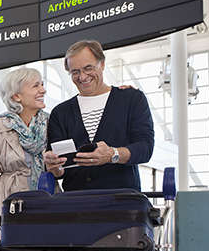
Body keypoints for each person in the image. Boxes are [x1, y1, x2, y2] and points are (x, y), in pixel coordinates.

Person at [43, 40, 154, 191]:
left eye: (88, 68)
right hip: (76, 204)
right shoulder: (60, 113)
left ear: (102, 64)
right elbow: (60, 171)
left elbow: (145, 148)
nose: (82, 77)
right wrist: (54, 167)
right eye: (75, 72)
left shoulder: (131, 99)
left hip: (122, 201)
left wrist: (112, 154)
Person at [0, 67, 48, 244]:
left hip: (46, 206)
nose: (43, 90)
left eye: (43, 84)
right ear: (16, 96)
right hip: (11, 208)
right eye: (35, 86)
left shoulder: (51, 123)